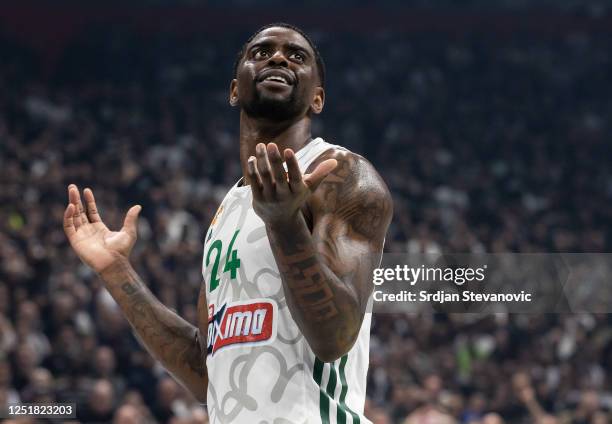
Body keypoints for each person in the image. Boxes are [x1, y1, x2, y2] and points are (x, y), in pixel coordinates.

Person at [63, 22, 392, 423]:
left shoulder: (343, 176)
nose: (278, 57)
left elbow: (335, 338)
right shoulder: (227, 211)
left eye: (297, 56)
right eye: (261, 51)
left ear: (318, 99)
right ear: (235, 90)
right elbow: (206, 375)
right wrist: (117, 272)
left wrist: (286, 225)